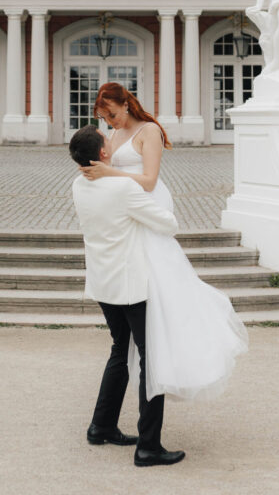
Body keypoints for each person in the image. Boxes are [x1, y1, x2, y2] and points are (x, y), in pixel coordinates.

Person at [79, 82, 248, 402]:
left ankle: (168, 350)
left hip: (147, 202)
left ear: (126, 105)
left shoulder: (149, 131)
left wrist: (107, 175)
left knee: (162, 284)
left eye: (111, 114)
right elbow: (106, 171)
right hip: (127, 210)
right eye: (104, 118)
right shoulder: (113, 136)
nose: (110, 122)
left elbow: (149, 179)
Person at [70, 124, 185, 468]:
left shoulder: (77, 184)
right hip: (132, 285)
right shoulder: (123, 188)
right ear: (103, 154)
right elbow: (168, 224)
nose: (113, 143)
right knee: (152, 359)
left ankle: (101, 426)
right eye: (108, 142)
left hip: (103, 283)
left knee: (120, 350)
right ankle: (148, 446)